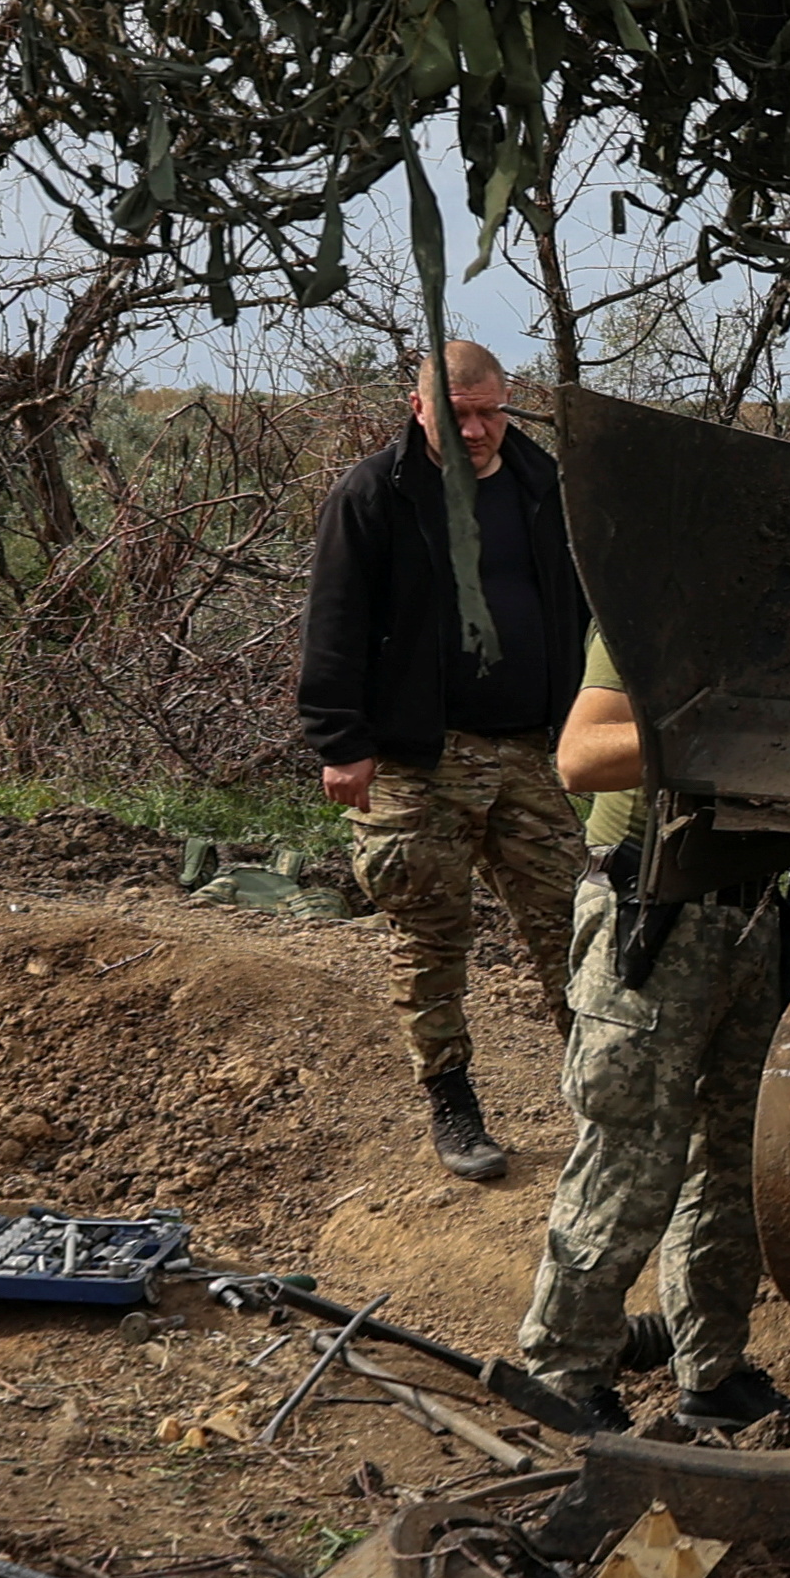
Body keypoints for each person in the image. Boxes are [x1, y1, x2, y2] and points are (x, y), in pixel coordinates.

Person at [300, 341, 586, 1184]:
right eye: (455, 412)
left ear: (510, 403)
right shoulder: (375, 495)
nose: (474, 429)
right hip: (419, 756)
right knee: (431, 934)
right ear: (419, 407)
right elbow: (335, 621)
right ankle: (453, 1101)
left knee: (575, 927)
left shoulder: (544, 486)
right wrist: (340, 741)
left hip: (532, 749)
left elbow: (582, 603)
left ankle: (603, 1104)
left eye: (489, 410)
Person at [521, 626, 790, 1431]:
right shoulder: (655, 590)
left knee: (732, 1165)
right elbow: (581, 757)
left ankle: (712, 1372)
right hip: (654, 907)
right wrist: (738, 734)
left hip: (756, 913)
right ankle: (567, 1377)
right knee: (631, 1155)